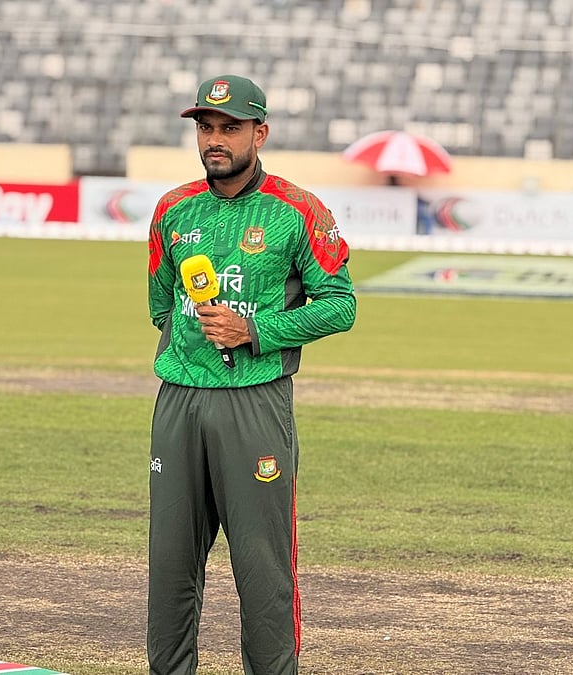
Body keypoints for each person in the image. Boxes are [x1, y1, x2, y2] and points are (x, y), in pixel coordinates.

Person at [144, 75, 356, 675]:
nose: (215, 139)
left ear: (259, 134)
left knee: (263, 568)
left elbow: (340, 305)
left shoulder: (298, 210)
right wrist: (196, 346)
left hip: (253, 403)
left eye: (230, 128)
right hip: (178, 400)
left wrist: (255, 332)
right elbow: (162, 303)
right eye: (206, 128)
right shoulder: (172, 209)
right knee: (170, 565)